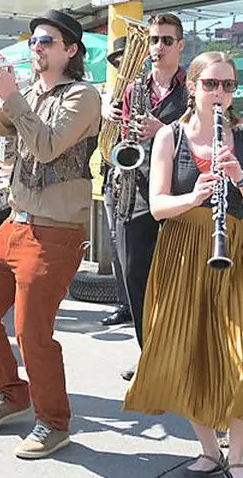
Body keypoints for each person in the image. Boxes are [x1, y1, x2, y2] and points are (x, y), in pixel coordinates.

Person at [0, 9, 101, 459]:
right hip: (16, 222)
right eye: (33, 42)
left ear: (70, 50)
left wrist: (12, 97)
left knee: (31, 332)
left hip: (57, 230)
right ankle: (10, 393)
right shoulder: (23, 94)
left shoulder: (83, 96)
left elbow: (45, 147)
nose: (35, 48)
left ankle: (53, 422)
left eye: (45, 41)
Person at [123, 52, 243, 478]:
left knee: (242, 355)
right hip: (183, 248)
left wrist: (240, 176)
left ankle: (238, 457)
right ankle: (209, 449)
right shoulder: (169, 135)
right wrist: (194, 197)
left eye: (227, 85)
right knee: (187, 352)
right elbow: (156, 207)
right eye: (210, 84)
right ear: (194, 87)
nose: (219, 93)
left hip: (234, 249)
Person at [103, 14, 190, 378]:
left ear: (181, 45)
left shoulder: (195, 86)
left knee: (178, 281)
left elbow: (206, 134)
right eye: (154, 40)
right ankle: (149, 354)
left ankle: (181, 357)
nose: (157, 47)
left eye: (166, 41)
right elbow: (122, 136)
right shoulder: (134, 87)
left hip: (180, 191)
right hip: (136, 188)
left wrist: (164, 129)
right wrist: (112, 117)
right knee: (136, 274)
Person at [98, 36, 133, 329]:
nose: (124, 63)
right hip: (113, 174)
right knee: (116, 243)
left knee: (136, 247)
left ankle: (139, 303)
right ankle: (125, 304)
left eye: (129, 57)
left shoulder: (146, 90)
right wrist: (105, 111)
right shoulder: (112, 91)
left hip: (140, 177)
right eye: (119, 59)